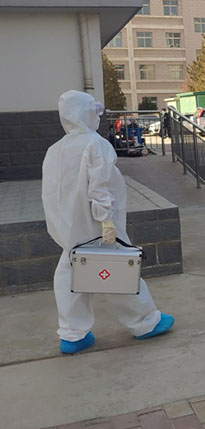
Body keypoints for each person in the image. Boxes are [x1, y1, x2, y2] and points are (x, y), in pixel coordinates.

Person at [41, 90, 174, 354]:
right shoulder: (95, 144)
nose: (97, 117)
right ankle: (145, 322)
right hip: (97, 223)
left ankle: (72, 334)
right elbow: (99, 187)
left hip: (69, 226)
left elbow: (52, 192)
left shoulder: (55, 149)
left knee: (71, 272)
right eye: (94, 112)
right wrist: (106, 221)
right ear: (85, 113)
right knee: (117, 270)